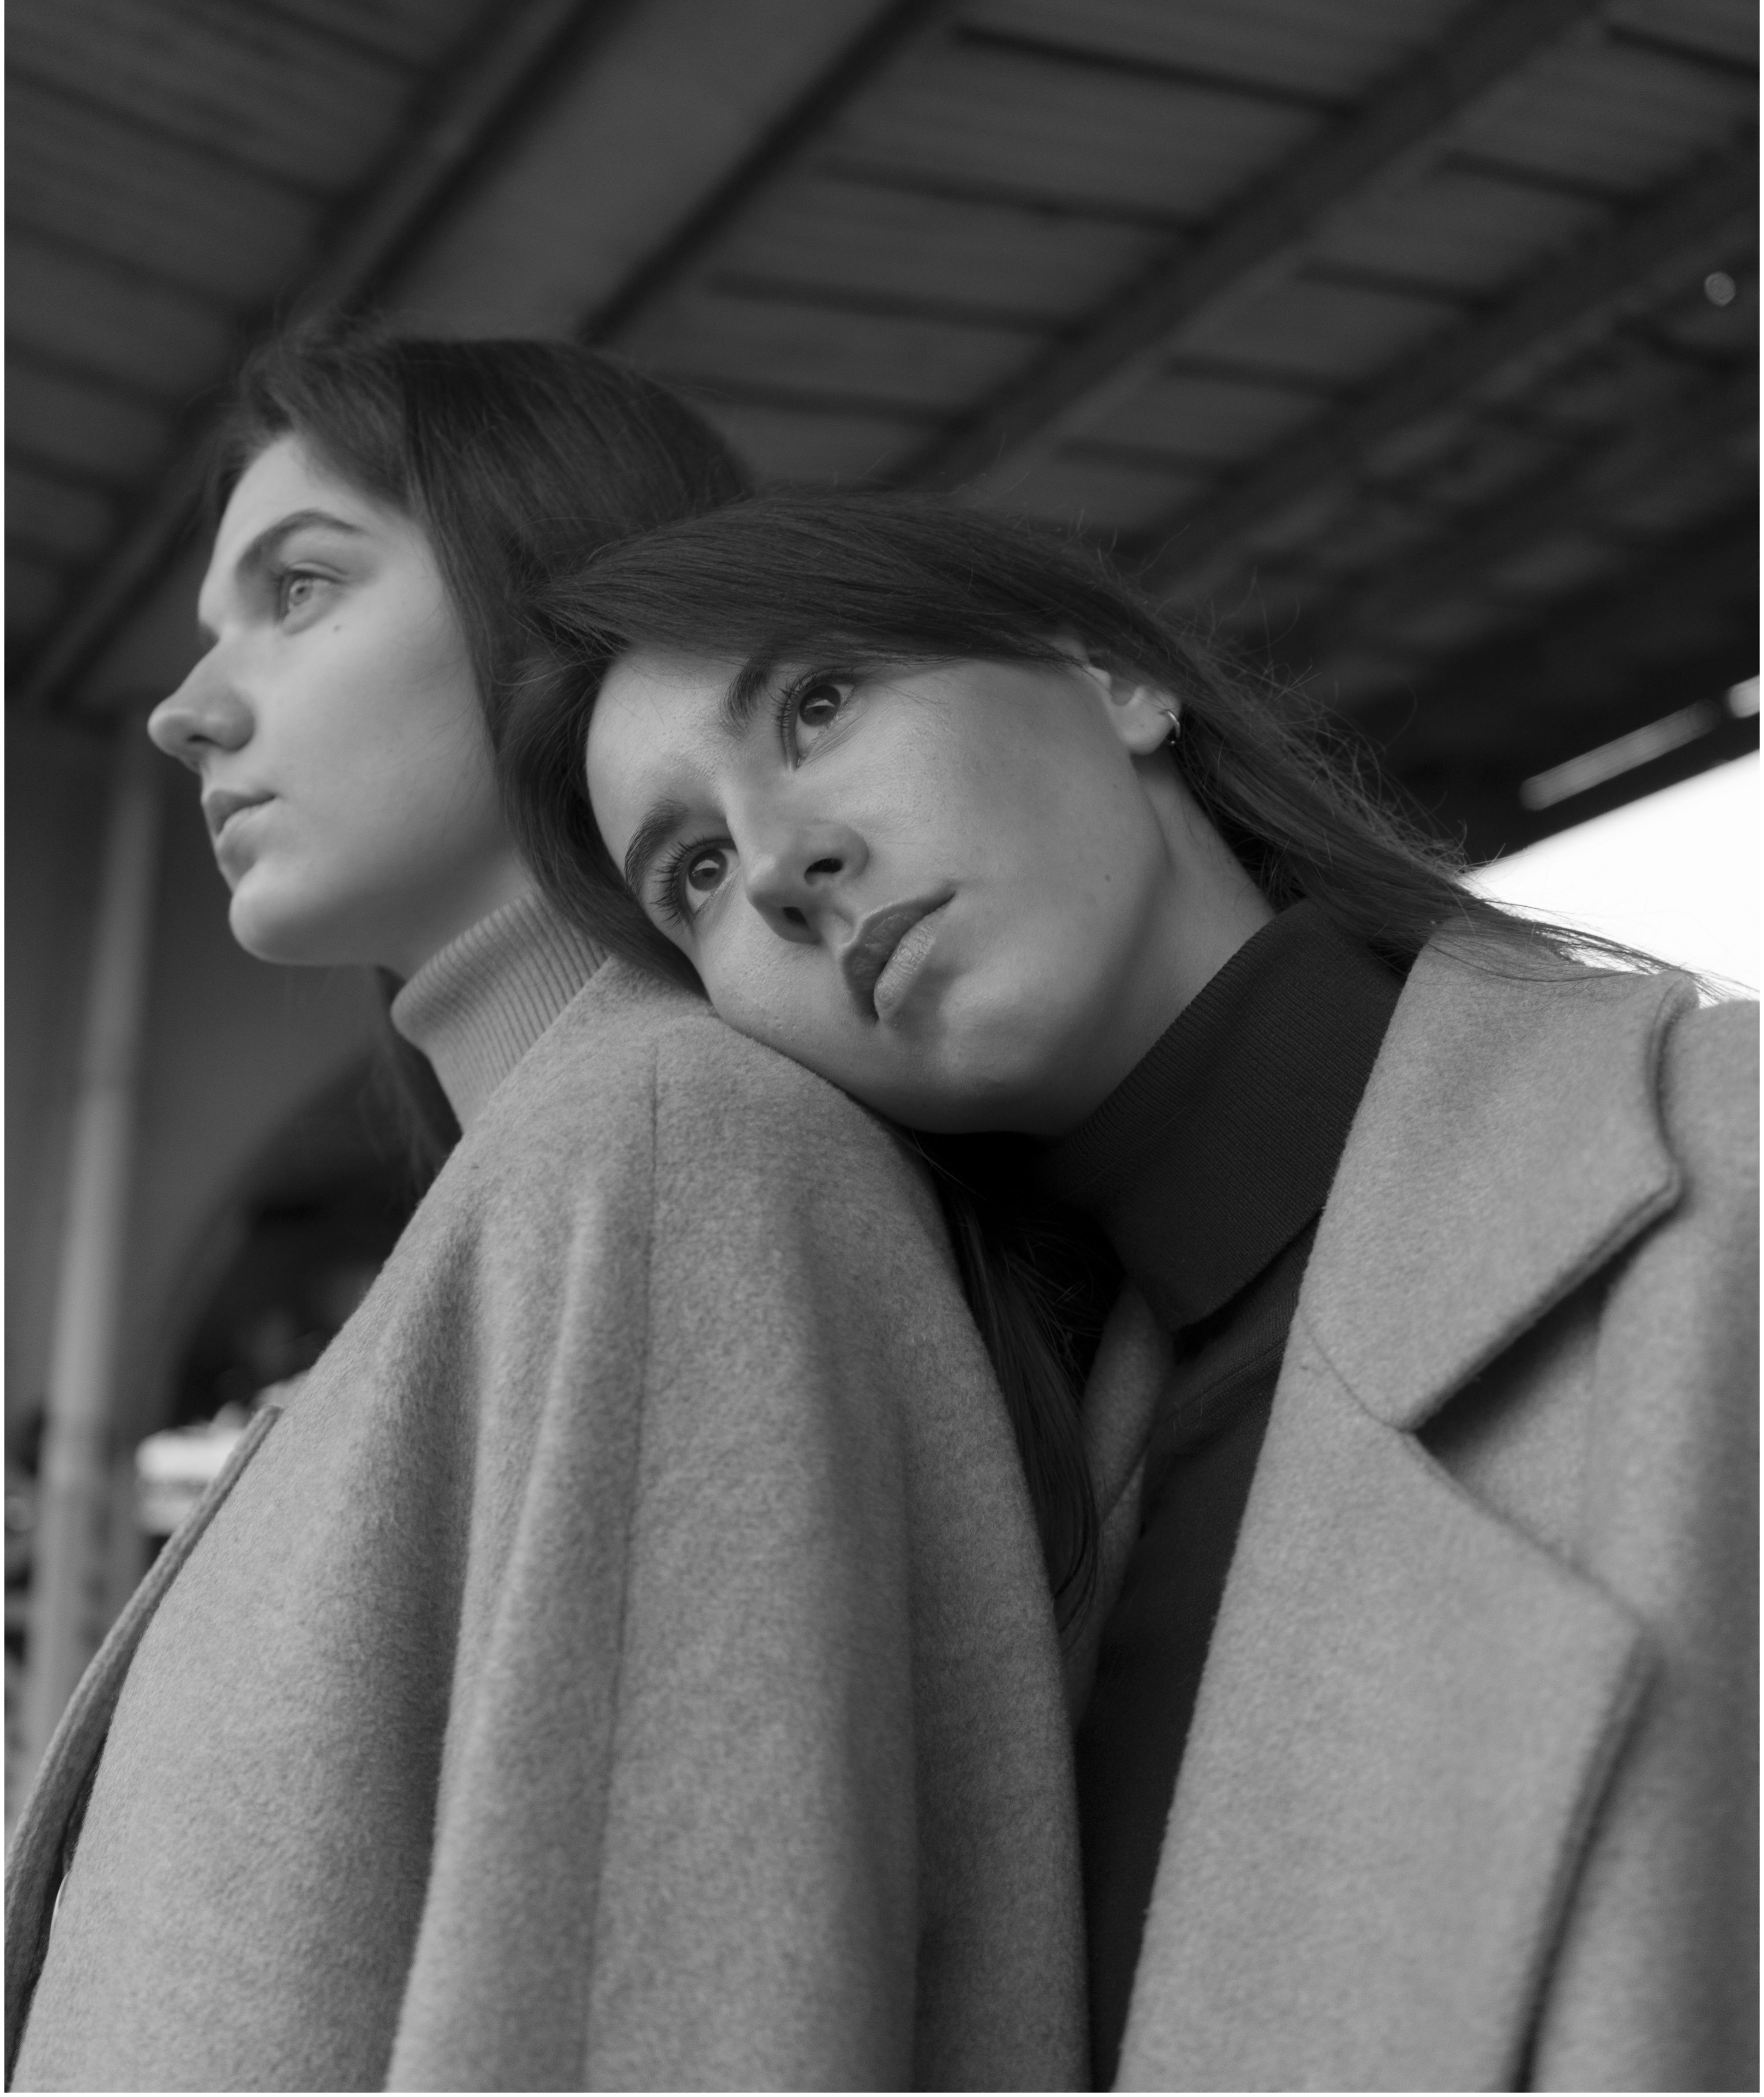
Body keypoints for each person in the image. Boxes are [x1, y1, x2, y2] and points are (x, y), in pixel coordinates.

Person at [503, 486, 1758, 2096]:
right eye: (688, 872)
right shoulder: (1003, 1553)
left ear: (1114, 677)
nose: (778, 866)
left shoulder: (1723, 1163)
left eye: (819, 703)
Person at [5, 339, 1086, 2094]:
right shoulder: (545, 1188)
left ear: (554, 614)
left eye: (300, 590)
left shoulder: (662, 1153)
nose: (184, 707)